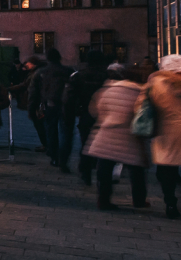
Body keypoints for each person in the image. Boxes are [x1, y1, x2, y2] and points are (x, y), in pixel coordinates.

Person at [86, 65, 149, 211]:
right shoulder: (139, 92)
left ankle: (103, 200)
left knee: (104, 169)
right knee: (136, 170)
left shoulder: (106, 90)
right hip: (130, 135)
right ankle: (139, 200)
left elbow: (95, 110)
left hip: (107, 133)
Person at [143, 54, 181, 219]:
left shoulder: (155, 82)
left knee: (166, 170)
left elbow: (141, 105)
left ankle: (170, 203)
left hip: (165, 131)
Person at [64, 50, 108, 185]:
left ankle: (85, 171)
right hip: (105, 115)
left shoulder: (78, 76)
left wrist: (70, 115)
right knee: (105, 147)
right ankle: (103, 175)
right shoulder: (107, 76)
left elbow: (69, 98)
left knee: (86, 143)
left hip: (86, 114)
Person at [28, 48, 75, 171]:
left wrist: (32, 109)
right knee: (66, 134)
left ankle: (54, 157)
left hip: (50, 105)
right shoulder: (69, 71)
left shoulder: (40, 72)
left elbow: (33, 93)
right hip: (67, 106)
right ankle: (63, 160)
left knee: (51, 132)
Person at [9, 57, 47, 152]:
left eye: (29, 63)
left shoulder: (35, 73)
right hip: (39, 102)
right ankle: (46, 144)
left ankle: (46, 145)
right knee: (42, 125)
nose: (27, 65)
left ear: (33, 64)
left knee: (40, 125)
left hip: (37, 102)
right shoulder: (36, 72)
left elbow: (25, 85)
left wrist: (10, 89)